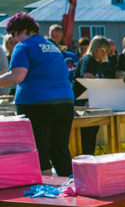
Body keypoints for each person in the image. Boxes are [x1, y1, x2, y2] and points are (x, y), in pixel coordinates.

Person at [0, 13, 74, 176]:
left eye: (14, 34)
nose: (13, 40)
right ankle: (73, 189)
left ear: (24, 30)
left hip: (37, 103)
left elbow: (17, 76)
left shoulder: (23, 46)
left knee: (38, 150)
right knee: (60, 149)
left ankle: (43, 194)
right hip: (65, 102)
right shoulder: (52, 46)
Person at [73, 35, 117, 155]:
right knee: (86, 135)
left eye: (106, 51)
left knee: (92, 134)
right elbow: (86, 76)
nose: (104, 53)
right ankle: (85, 157)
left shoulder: (101, 63)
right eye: (102, 50)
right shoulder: (87, 60)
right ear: (96, 48)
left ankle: (90, 156)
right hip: (82, 103)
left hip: (94, 101)